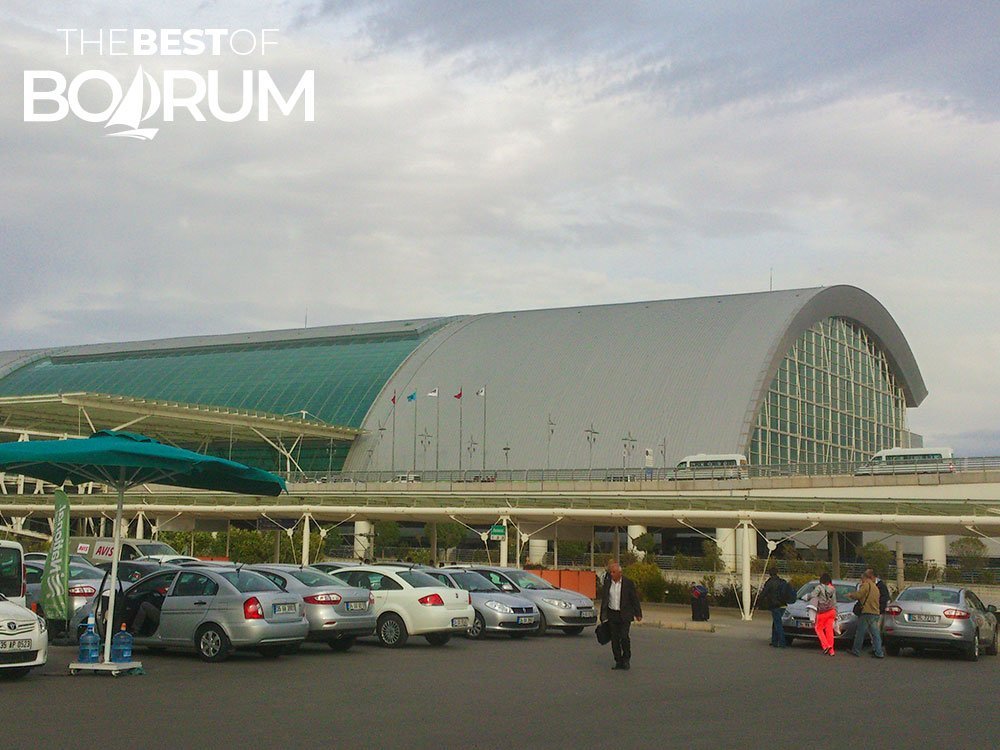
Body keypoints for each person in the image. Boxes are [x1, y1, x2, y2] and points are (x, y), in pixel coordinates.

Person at [599, 561, 643, 670]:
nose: (612, 574)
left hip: (625, 614)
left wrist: (638, 613)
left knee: (624, 637)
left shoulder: (628, 583)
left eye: (614, 572)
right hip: (612, 614)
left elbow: (634, 599)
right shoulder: (608, 583)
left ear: (620, 573)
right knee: (614, 639)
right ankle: (618, 660)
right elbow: (605, 599)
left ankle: (626, 658)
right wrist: (603, 615)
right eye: (611, 572)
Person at [848, 570, 885, 658]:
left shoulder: (866, 585)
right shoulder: (876, 588)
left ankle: (856, 650)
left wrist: (851, 595)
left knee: (860, 632)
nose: (861, 581)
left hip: (866, 612)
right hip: (875, 612)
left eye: (862, 579)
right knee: (875, 633)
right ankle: (879, 652)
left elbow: (859, 595)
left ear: (865, 577)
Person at [805, 573, 838, 655]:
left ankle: (826, 646)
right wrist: (836, 613)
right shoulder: (833, 589)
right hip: (832, 611)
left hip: (822, 612)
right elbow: (835, 602)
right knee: (829, 630)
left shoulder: (819, 587)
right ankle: (831, 650)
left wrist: (807, 597)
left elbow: (813, 595)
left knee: (818, 628)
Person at [759, 566, 792, 648]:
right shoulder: (782, 582)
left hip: (775, 605)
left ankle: (782, 642)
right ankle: (774, 641)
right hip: (784, 605)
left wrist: (758, 601)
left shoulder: (769, 582)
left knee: (778, 624)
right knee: (776, 622)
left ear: (770, 573)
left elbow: (764, 593)